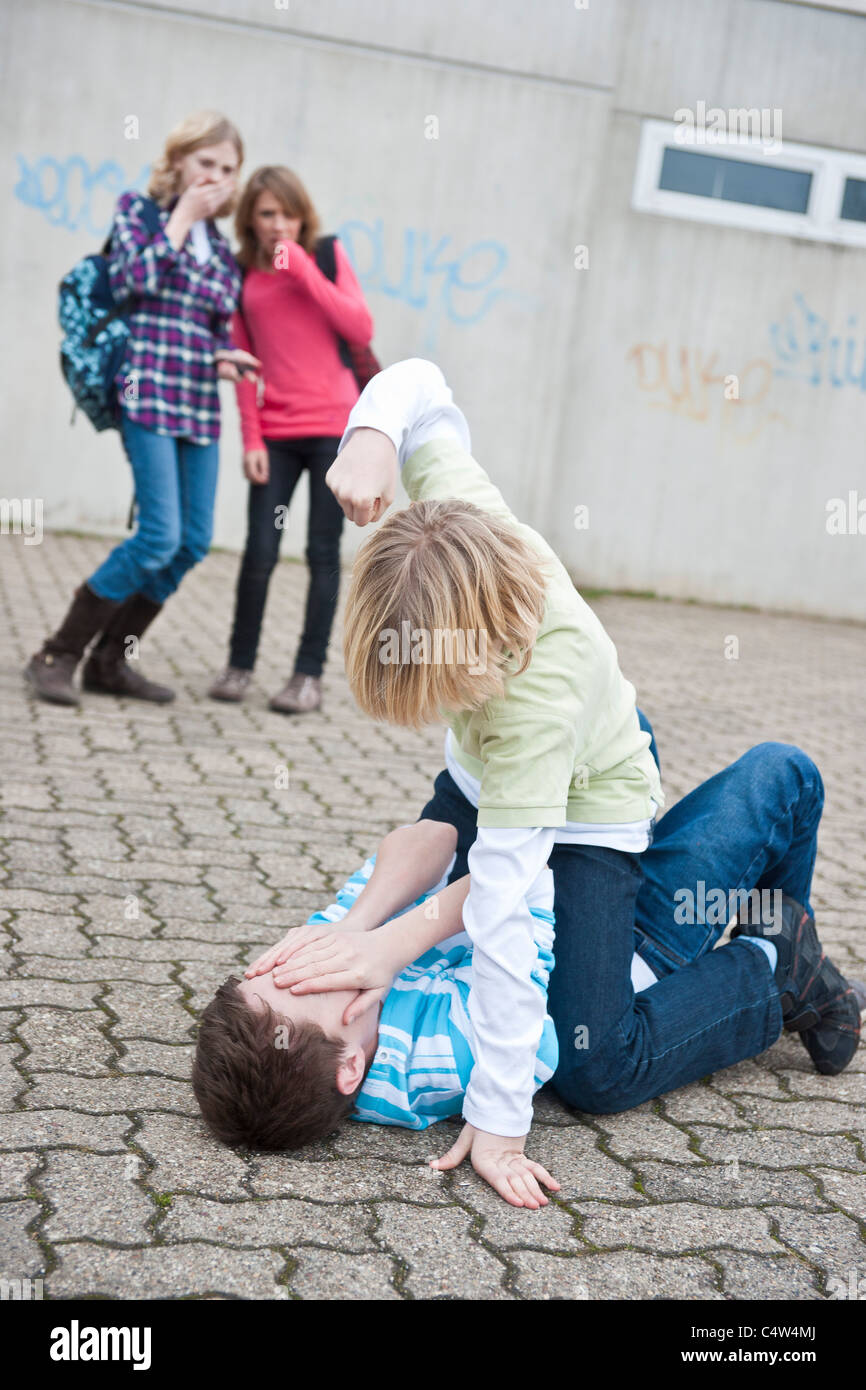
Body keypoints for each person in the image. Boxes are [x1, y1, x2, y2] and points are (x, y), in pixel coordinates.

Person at [322, 357, 862, 1205]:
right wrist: (372, 435)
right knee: (469, 863)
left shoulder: (531, 711)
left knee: (595, 1063)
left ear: (485, 658)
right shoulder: (457, 527)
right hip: (526, 753)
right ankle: (729, 909)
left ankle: (776, 961)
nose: (435, 715)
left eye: (443, 696)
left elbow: (501, 907)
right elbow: (423, 383)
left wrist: (499, 1118)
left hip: (592, 802)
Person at [191, 735, 863, 1210]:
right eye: (298, 984)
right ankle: (786, 968)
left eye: (268, 967)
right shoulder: (422, 1063)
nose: (299, 962)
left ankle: (794, 965)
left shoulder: (335, 956)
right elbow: (521, 887)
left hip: (578, 859)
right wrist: (392, 944)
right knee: (783, 773)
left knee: (610, 751)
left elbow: (433, 840)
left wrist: (354, 924)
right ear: (350, 1068)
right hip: (630, 942)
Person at [25, 111, 260, 707]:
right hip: (146, 391)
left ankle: (111, 661)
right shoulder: (141, 212)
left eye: (227, 169)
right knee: (158, 537)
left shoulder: (224, 250)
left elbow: (203, 323)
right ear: (179, 160)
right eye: (206, 162)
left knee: (191, 542)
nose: (216, 176)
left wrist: (224, 356)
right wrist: (182, 215)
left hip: (199, 401)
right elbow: (135, 280)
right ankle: (58, 653)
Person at [208, 166, 374, 714]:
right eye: (267, 214)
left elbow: (360, 328)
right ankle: (239, 667)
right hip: (275, 435)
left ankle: (307, 677)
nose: (279, 224)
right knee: (259, 552)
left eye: (288, 213)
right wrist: (251, 438)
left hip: (333, 428)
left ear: (303, 216)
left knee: (322, 553)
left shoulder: (323, 255)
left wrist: (302, 268)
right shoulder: (239, 273)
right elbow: (241, 360)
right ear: (250, 221)